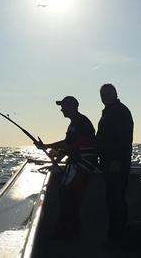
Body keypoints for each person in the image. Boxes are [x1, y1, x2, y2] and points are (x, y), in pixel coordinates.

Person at [35, 96, 97, 240]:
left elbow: (68, 144)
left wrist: (46, 146)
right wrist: (57, 157)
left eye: (63, 106)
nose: (61, 109)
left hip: (81, 166)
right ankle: (70, 231)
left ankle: (67, 233)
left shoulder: (79, 123)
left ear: (72, 106)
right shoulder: (75, 123)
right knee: (68, 197)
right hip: (78, 164)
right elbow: (71, 146)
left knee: (69, 198)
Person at [96, 83, 133, 242]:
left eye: (108, 93)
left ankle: (119, 237)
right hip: (108, 163)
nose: (105, 96)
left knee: (116, 200)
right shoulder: (109, 112)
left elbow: (124, 138)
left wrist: (117, 160)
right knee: (113, 199)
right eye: (102, 94)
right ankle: (115, 235)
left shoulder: (119, 111)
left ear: (115, 93)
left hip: (116, 165)